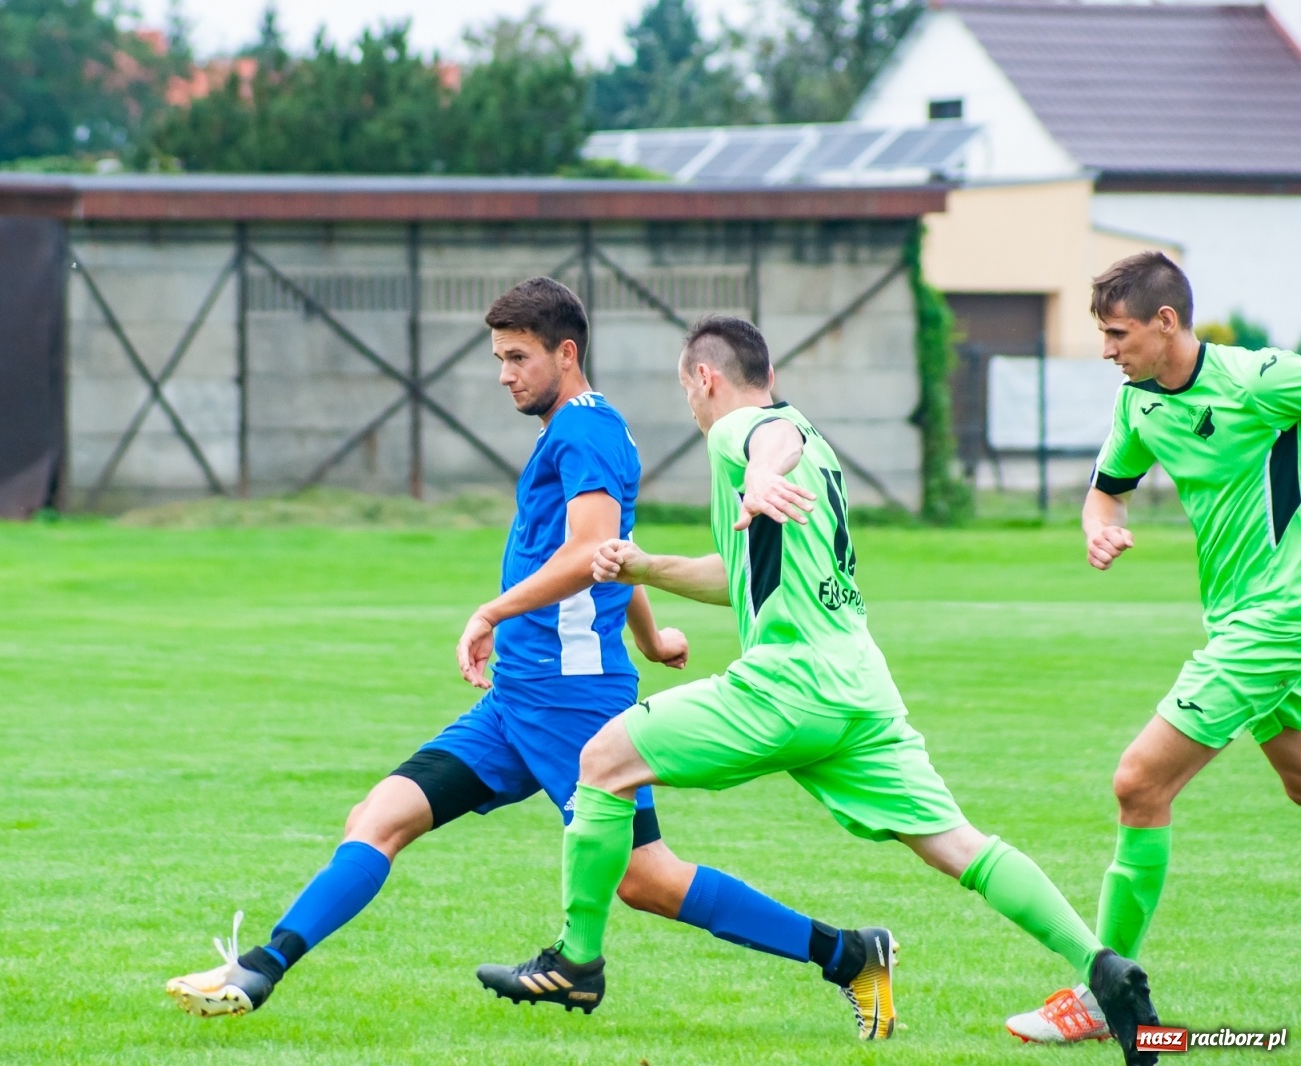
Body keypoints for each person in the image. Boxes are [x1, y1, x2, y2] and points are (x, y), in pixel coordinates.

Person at [166, 279, 881, 1028]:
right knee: (379, 816)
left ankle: (847, 954)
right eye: (499, 357)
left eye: (517, 357)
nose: (504, 373)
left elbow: (587, 549)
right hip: (519, 697)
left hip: (572, 695)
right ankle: (258, 971)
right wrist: (651, 635)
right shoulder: (583, 430)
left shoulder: (586, 432)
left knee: (646, 880)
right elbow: (614, 555)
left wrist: (493, 610)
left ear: (564, 354)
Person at [478, 314, 1162, 1064]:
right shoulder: (819, 449)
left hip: (788, 686)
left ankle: (576, 962)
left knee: (603, 761)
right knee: (962, 846)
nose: (692, 407)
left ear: (705, 378)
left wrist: (764, 468)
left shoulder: (743, 433)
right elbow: (741, 578)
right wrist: (646, 568)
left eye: (688, 391)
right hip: (860, 690)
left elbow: (770, 442)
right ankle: (1103, 968)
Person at [1006, 253, 1301, 1044]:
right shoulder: (1139, 404)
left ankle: (1105, 996)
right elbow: (1106, 490)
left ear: (1165, 322)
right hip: (1239, 617)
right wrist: (1101, 531)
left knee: (1139, 783)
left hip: (1276, 621)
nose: (1107, 349)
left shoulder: (1260, 379)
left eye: (1117, 332)